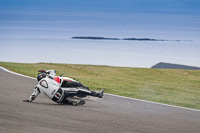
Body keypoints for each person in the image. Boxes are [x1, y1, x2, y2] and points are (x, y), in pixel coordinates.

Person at [23, 70, 104, 106]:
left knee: (63, 100)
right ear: (44, 76)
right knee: (78, 90)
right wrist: (45, 71)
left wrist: (28, 100)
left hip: (57, 100)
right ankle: (97, 94)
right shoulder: (47, 78)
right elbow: (53, 71)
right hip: (62, 91)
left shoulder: (37, 87)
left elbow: (33, 97)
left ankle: (71, 102)